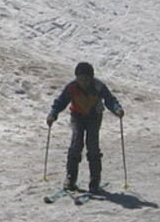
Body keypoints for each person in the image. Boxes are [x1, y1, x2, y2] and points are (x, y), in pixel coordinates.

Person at [46, 62, 124, 193]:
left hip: (94, 117)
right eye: (80, 79)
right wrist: (53, 114)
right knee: (76, 144)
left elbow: (110, 100)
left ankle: (94, 181)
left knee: (92, 146)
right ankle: (70, 179)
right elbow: (60, 102)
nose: (83, 82)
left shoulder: (99, 86)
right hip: (77, 117)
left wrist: (117, 109)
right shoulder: (71, 87)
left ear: (91, 78)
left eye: (86, 79)